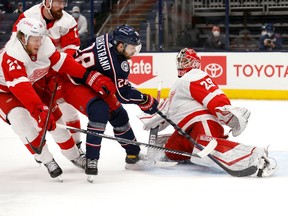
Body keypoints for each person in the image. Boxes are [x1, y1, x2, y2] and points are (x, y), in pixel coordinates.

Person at [0, 18, 115, 180]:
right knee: (22, 123)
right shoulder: (13, 55)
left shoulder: (43, 42)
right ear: (23, 37)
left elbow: (62, 62)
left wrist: (89, 77)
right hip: (4, 92)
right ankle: (46, 159)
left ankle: (74, 156)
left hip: (30, 84)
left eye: (40, 38)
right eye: (35, 39)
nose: (39, 43)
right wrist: (38, 110)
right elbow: (21, 88)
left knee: (55, 121)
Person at [139, 48, 276, 177]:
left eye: (186, 61)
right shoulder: (177, 85)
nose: (182, 64)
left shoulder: (195, 75)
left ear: (196, 63)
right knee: (170, 151)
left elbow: (212, 95)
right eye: (180, 61)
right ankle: (182, 150)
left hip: (203, 124)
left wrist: (227, 113)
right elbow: (166, 113)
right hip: (186, 131)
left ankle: (255, 156)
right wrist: (153, 118)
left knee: (205, 149)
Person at [73, 24, 159, 173]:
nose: (134, 52)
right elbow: (123, 94)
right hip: (74, 83)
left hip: (84, 77)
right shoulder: (118, 65)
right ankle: (91, 159)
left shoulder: (107, 38)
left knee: (119, 115)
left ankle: (133, 154)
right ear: (120, 45)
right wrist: (144, 99)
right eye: (132, 48)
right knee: (101, 112)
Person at [11, 0, 84, 153]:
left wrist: (60, 66)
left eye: (64, 2)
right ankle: (42, 150)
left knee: (67, 107)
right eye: (58, 2)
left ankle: (77, 145)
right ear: (47, 2)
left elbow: (71, 47)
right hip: (34, 70)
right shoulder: (27, 17)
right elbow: (17, 45)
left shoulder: (68, 21)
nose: (62, 6)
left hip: (57, 69)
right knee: (36, 112)